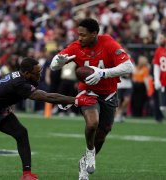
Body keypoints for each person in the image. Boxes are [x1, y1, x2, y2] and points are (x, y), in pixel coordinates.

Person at [0, 57, 97, 180]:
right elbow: (47, 97)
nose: (39, 75)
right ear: (27, 73)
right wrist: (75, 100)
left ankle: (26, 173)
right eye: (37, 73)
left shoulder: (22, 77)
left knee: (21, 133)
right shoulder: (20, 83)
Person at [50, 18, 134, 180]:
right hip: (87, 92)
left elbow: (128, 67)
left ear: (94, 34)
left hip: (109, 93)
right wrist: (57, 61)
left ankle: (85, 160)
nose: (79, 38)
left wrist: (102, 73)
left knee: (102, 133)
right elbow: (54, 65)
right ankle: (89, 152)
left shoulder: (108, 43)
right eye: (78, 34)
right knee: (92, 123)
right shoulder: (76, 46)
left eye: (83, 35)